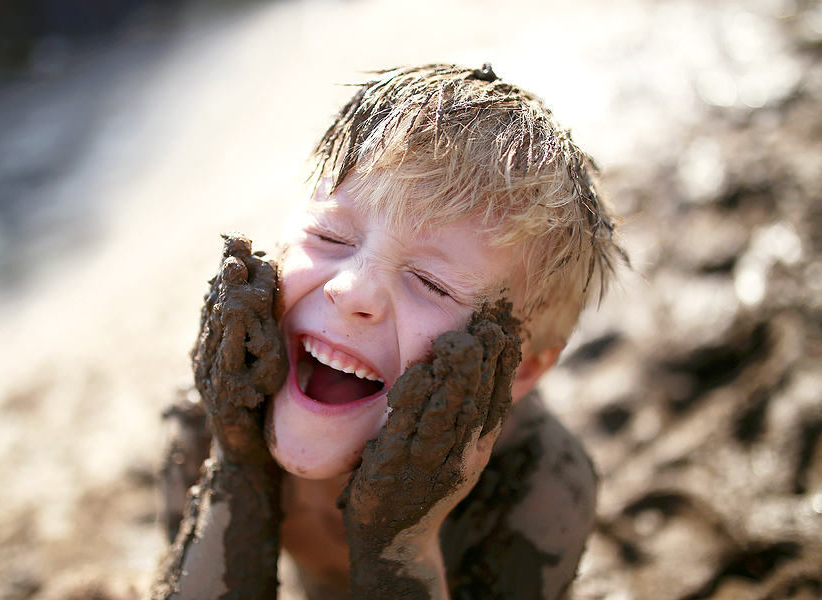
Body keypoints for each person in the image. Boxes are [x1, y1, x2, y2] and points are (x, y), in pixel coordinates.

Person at [148, 63, 626, 600]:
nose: (352, 291)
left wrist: (403, 546)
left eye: (432, 283)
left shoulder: (542, 483)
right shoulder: (206, 422)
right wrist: (238, 469)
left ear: (524, 370)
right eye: (329, 235)